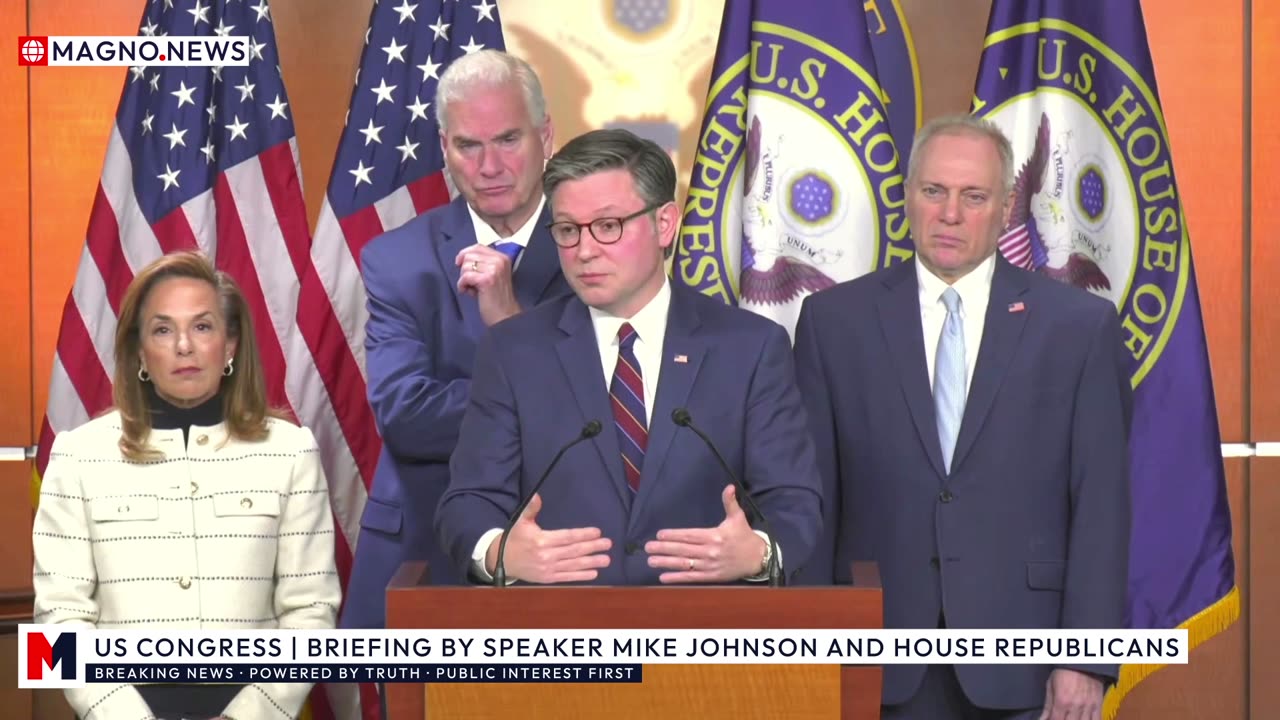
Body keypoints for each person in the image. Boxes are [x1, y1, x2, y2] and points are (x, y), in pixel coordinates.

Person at [792, 115, 1132, 720]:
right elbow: (813, 503)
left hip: (1026, 660)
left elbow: (1102, 503)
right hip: (876, 657)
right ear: (907, 196)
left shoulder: (1077, 328)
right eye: (934, 192)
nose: (950, 214)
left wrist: (1086, 655)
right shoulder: (832, 322)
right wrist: (811, 648)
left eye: (973, 197)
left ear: (1005, 210)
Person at [435, 128, 822, 586]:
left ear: (664, 224)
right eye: (566, 230)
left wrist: (756, 552)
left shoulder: (751, 347)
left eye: (607, 225)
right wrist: (501, 553)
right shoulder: (513, 352)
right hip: (563, 639)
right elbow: (467, 503)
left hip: (705, 642)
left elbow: (794, 502)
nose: (584, 250)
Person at [32, 251, 340, 720]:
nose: (183, 346)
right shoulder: (79, 455)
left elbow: (311, 612)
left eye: (202, 327)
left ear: (231, 344)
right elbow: (58, 622)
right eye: (162, 329)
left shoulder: (291, 451)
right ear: (138, 349)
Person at [342, 50, 573, 628]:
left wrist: (510, 321)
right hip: (426, 553)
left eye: (508, 140)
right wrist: (539, 400)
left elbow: (606, 410)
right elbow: (406, 415)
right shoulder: (396, 259)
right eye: (469, 146)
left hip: (565, 546)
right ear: (444, 149)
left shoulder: (594, 246)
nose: (490, 165)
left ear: (546, 137)